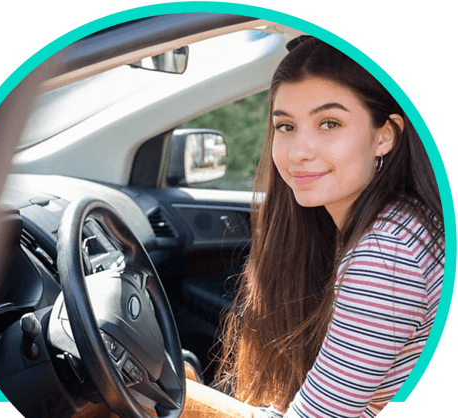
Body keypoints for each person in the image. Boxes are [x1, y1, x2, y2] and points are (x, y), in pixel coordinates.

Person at [181, 35, 445, 418]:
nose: (299, 151)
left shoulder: (387, 253)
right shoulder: (402, 222)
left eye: (329, 123)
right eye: (285, 127)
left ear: (384, 135)